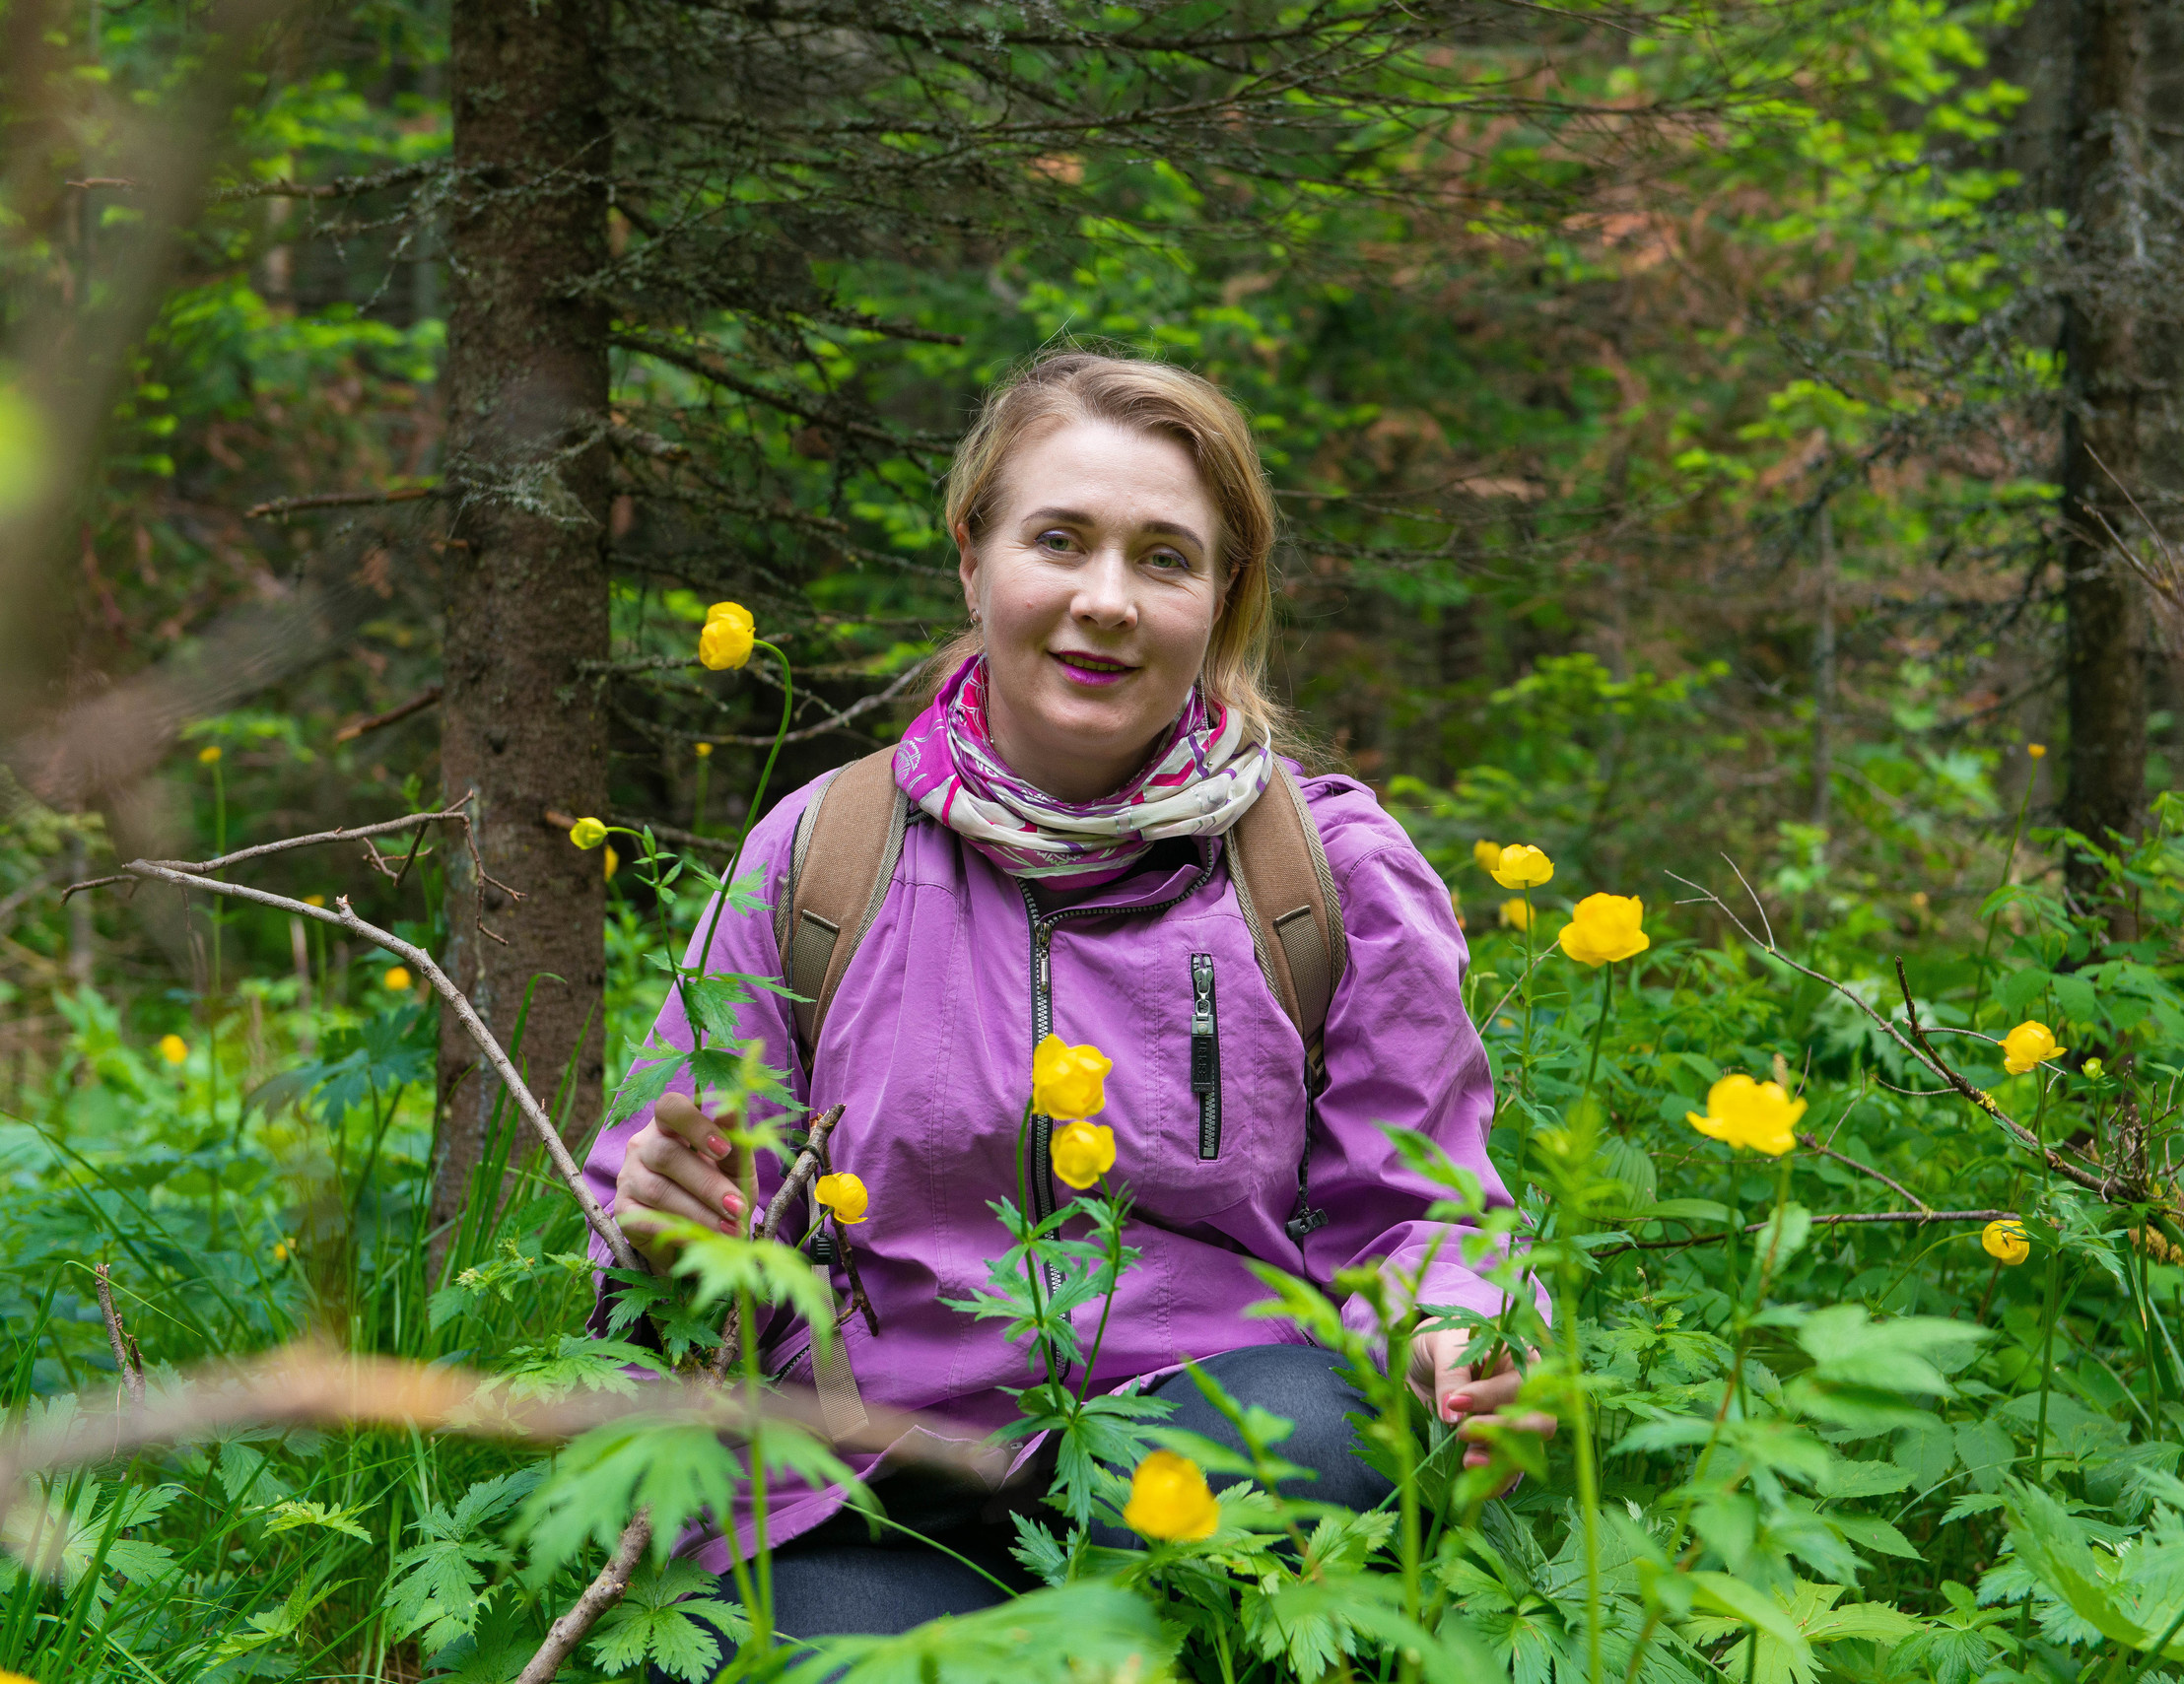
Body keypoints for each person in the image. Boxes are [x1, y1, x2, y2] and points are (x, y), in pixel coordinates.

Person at [582, 351, 1545, 1643]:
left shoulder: (1328, 877)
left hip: (1207, 1450)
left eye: (1164, 557)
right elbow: (653, 1245)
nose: (1107, 600)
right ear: (972, 557)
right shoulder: (822, 855)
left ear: (1222, 598)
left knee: (1331, 1430)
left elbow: (1433, 1214)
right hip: (865, 1490)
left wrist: (1460, 1331)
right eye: (1060, 539)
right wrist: (662, 1227)